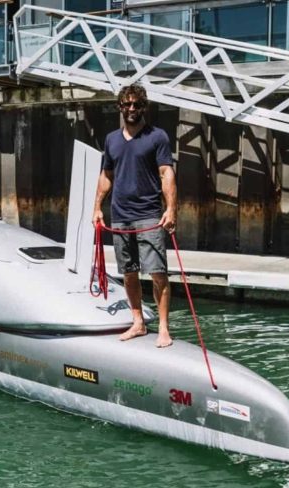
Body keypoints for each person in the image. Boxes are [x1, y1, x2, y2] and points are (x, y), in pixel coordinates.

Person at [92, 83, 177, 348]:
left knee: (158, 273)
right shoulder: (112, 139)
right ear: (120, 107)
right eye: (127, 104)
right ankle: (138, 322)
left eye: (136, 104)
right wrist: (97, 207)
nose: (132, 108)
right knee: (129, 273)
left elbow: (166, 173)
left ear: (144, 107)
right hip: (120, 216)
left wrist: (171, 209)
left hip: (149, 215)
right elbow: (106, 175)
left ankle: (163, 328)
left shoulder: (157, 137)